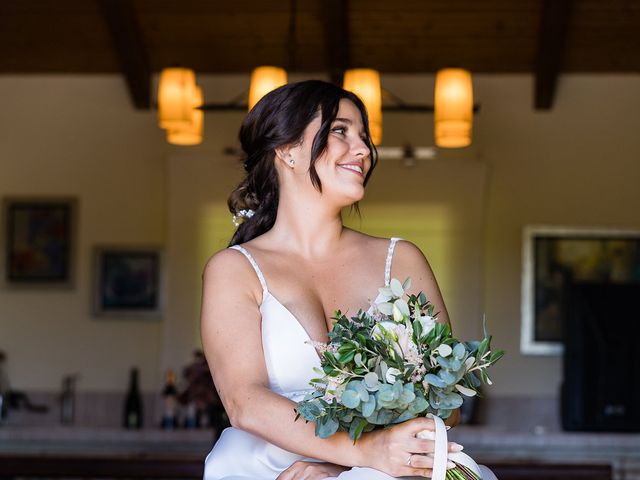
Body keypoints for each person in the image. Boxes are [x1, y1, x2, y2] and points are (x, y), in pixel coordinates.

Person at [200, 80, 462, 480]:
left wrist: (344, 463)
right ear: (287, 150)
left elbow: (449, 401)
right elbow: (244, 401)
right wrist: (361, 451)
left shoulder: (401, 259)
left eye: (364, 137)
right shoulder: (235, 269)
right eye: (340, 131)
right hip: (265, 466)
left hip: (391, 469)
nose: (363, 150)